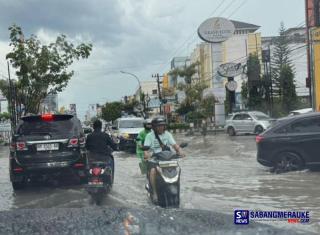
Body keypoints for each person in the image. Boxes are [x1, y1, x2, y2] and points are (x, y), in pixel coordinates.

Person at [143, 116, 185, 203]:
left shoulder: (168, 134)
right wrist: (147, 155)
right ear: (154, 127)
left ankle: (177, 189)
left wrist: (180, 151)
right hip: (155, 159)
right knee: (153, 172)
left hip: (168, 159)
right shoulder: (149, 136)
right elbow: (146, 150)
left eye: (162, 125)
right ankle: (154, 193)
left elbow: (175, 146)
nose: (161, 127)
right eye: (159, 126)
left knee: (178, 169)